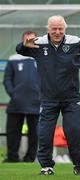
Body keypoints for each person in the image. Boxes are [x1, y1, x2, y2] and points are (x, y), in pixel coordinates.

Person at [16, 16, 80, 175]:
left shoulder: (75, 41)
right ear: (48, 28)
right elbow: (19, 49)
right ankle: (46, 167)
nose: (57, 32)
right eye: (54, 28)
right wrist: (23, 44)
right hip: (48, 99)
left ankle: (78, 165)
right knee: (45, 134)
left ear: (65, 28)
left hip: (71, 99)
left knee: (74, 132)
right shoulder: (39, 43)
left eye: (60, 28)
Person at [3, 31, 41, 163]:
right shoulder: (14, 58)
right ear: (23, 41)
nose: (30, 42)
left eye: (32, 39)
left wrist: (41, 95)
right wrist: (13, 94)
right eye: (27, 40)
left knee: (35, 133)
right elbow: (7, 79)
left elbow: (48, 78)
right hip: (16, 103)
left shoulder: (41, 57)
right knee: (13, 132)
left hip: (36, 103)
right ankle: (12, 158)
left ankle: (30, 159)